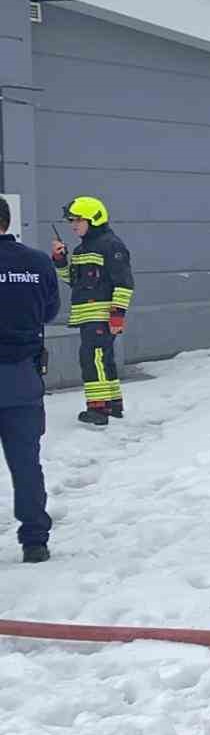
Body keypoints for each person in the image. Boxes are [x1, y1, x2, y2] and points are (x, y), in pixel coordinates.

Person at [0, 198, 61, 562]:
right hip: (22, 376)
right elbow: (49, 311)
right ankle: (35, 541)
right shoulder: (38, 263)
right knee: (26, 464)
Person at [51, 196, 133, 427]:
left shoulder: (111, 245)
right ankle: (113, 404)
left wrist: (117, 314)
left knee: (92, 359)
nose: (73, 225)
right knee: (102, 358)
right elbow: (74, 282)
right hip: (88, 316)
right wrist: (60, 260)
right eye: (71, 221)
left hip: (102, 315)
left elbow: (124, 283)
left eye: (78, 220)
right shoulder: (81, 249)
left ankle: (98, 409)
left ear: (94, 219)